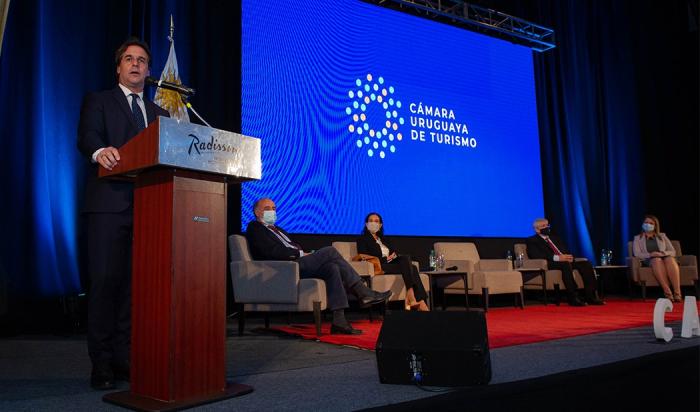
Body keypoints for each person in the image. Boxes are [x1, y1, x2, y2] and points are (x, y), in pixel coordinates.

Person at [77, 38, 170, 390]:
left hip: (149, 209)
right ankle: (100, 363)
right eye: (129, 59)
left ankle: (123, 358)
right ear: (119, 67)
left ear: (148, 70)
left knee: (134, 289)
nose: (135, 64)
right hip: (107, 207)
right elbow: (87, 136)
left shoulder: (159, 114)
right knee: (104, 285)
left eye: (142, 60)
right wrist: (100, 151)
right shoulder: (99, 101)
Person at [245, 198, 392, 335]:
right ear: (258, 212)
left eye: (274, 208)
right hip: (286, 267)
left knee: (332, 268)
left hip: (296, 262)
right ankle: (362, 291)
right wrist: (300, 254)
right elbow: (271, 251)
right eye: (267, 208)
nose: (272, 211)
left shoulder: (278, 229)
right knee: (330, 251)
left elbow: (294, 246)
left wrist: (306, 253)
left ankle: (339, 321)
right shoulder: (255, 228)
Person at [356, 212, 429, 311]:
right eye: (371, 221)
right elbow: (364, 256)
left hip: (390, 264)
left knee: (408, 262)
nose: (373, 223)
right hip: (379, 266)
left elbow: (393, 252)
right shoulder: (362, 239)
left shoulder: (384, 239)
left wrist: (393, 257)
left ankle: (415, 299)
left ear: (380, 225)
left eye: (376, 221)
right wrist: (387, 258)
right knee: (412, 268)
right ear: (366, 224)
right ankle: (418, 300)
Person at [526, 218, 604, 306]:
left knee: (586, 264)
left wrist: (569, 257)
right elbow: (535, 255)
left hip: (564, 260)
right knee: (565, 264)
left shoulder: (555, 238)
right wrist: (558, 258)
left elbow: (565, 250)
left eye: (547, 225)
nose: (547, 227)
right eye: (543, 226)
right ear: (537, 229)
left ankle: (591, 296)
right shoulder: (532, 240)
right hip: (549, 263)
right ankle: (573, 297)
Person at [632, 215, 681, 302]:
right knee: (656, 260)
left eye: (651, 223)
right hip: (650, 260)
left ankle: (677, 293)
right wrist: (651, 254)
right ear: (643, 224)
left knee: (669, 259)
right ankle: (668, 292)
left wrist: (662, 253)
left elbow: (673, 251)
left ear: (655, 226)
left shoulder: (662, 236)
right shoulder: (637, 238)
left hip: (665, 258)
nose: (648, 224)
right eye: (646, 222)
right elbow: (637, 253)